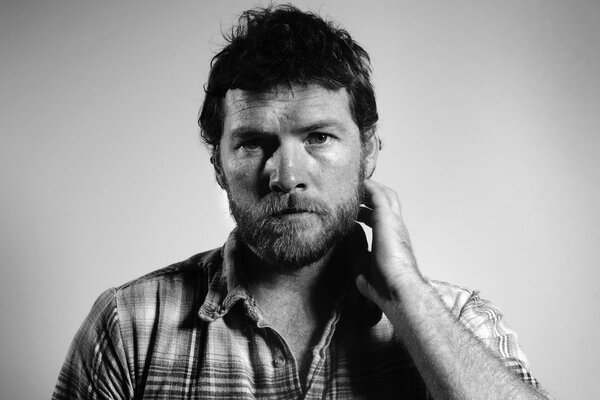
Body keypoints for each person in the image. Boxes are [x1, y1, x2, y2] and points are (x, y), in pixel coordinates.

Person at [53, 5, 551, 399]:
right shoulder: (129, 327)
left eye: (318, 137)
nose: (286, 177)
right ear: (218, 166)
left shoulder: (458, 322)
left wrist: (407, 297)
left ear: (369, 150)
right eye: (253, 143)